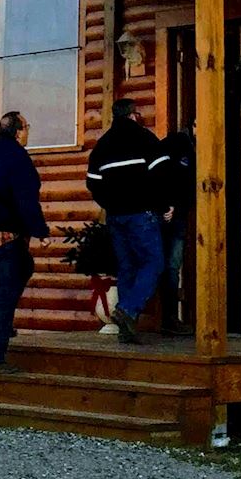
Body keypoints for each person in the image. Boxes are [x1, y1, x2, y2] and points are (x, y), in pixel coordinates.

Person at [0, 109, 49, 371]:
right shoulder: (19, 160)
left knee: (19, 271)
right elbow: (26, 200)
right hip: (4, 233)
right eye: (26, 127)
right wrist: (40, 231)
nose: (28, 132)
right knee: (7, 291)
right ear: (17, 132)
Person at [85, 98, 169, 343]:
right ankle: (128, 310)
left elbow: (92, 183)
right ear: (133, 115)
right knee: (154, 262)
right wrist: (164, 205)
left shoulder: (103, 145)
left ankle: (126, 329)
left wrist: (110, 204)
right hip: (142, 213)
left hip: (116, 216)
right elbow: (161, 175)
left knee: (126, 267)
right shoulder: (144, 138)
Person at [157, 127, 195, 334]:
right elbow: (160, 176)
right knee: (165, 266)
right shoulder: (175, 144)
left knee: (171, 267)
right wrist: (165, 205)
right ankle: (167, 318)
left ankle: (169, 319)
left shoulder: (196, 149)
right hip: (167, 216)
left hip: (178, 215)